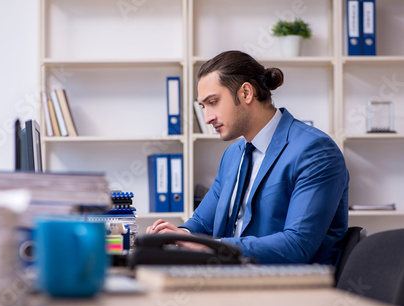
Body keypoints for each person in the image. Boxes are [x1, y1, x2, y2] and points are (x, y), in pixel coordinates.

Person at [146, 50, 349, 265]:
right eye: (203, 107)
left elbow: (297, 245)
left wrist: (211, 246)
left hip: (291, 288)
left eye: (213, 102)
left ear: (246, 93)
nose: (207, 118)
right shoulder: (233, 155)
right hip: (232, 280)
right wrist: (175, 236)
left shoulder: (314, 151)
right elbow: (201, 223)